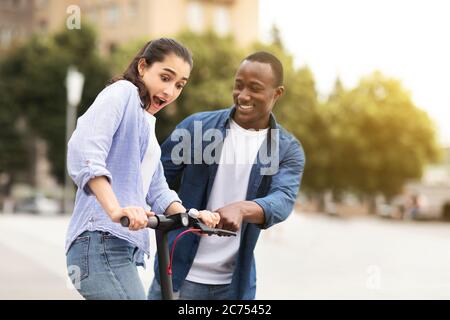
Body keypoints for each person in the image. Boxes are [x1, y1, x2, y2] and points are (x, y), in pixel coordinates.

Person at [65, 38, 220, 300]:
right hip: (99, 241)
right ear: (142, 67)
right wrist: (116, 209)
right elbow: (84, 150)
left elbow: (157, 188)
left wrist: (190, 216)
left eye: (179, 85)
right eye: (165, 77)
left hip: (120, 247)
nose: (170, 91)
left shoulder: (146, 124)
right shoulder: (123, 93)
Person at [148, 51, 305, 300]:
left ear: (277, 93)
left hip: (234, 287)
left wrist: (242, 209)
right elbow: (152, 178)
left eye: (254, 88)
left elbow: (283, 199)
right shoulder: (196, 128)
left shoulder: (287, 149)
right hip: (177, 276)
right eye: (239, 85)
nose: (243, 96)